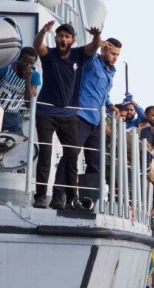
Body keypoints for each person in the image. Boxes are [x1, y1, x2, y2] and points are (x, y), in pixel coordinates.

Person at [32, 20, 103, 209]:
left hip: (69, 115)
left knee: (72, 156)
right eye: (60, 36)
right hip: (45, 112)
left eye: (67, 36)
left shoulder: (79, 55)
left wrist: (96, 36)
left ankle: (70, 198)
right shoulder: (50, 55)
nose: (63, 39)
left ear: (72, 40)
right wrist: (43, 32)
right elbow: (38, 46)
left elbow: (94, 46)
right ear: (55, 38)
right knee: (45, 154)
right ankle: (40, 197)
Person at [75, 35, 123, 209]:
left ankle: (88, 200)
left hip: (97, 121)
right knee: (71, 155)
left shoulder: (111, 71)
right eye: (113, 54)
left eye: (118, 55)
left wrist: (111, 106)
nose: (115, 58)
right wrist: (97, 42)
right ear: (104, 50)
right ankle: (67, 194)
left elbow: (103, 93)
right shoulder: (92, 64)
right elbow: (86, 55)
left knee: (95, 162)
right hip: (82, 116)